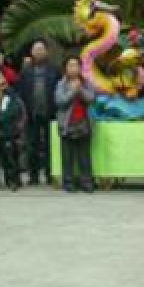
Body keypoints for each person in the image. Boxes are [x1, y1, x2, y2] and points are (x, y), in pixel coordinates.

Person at [19, 39, 61, 186]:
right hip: (32, 113)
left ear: (46, 52)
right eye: (35, 49)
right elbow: (21, 92)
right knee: (32, 146)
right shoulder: (26, 71)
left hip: (51, 113)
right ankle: (33, 176)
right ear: (31, 52)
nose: (38, 52)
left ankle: (50, 175)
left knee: (51, 145)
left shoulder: (54, 69)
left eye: (41, 49)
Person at [55, 56, 96, 193]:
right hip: (67, 124)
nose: (73, 68)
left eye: (76, 65)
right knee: (67, 157)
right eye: (70, 65)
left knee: (84, 157)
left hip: (84, 123)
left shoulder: (87, 82)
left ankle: (87, 183)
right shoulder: (61, 84)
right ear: (65, 68)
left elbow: (91, 98)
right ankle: (68, 183)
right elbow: (60, 101)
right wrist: (73, 91)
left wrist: (80, 89)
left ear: (80, 68)